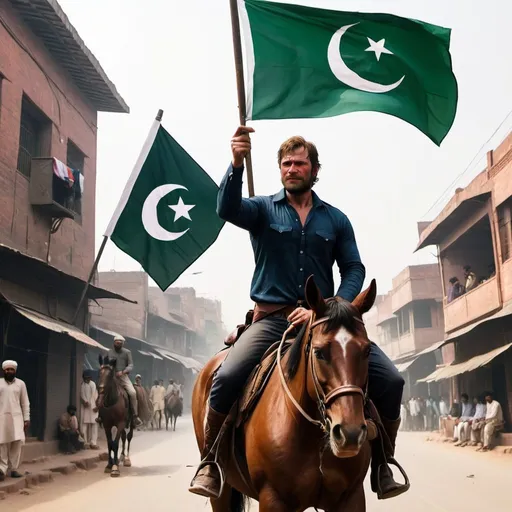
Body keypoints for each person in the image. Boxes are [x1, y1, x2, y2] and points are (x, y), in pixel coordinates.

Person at [189, 127, 407, 500]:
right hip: (271, 319)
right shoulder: (260, 209)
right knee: (225, 379)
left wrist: (332, 307)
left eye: (300, 163)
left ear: (314, 169)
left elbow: (353, 268)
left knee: (391, 380)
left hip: (322, 319)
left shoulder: (335, 220)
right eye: (286, 163)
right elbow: (226, 208)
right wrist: (237, 163)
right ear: (279, 170)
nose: (293, 168)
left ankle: (383, 462)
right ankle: (210, 462)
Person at [0, 360, 30, 481]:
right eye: (7, 369)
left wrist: (26, 418)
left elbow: (25, 402)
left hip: (17, 418)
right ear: (4, 371)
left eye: (11, 369)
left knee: (16, 443)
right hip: (2, 418)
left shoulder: (21, 384)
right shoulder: (0, 383)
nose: (9, 371)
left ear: (15, 371)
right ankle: (2, 469)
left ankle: (13, 469)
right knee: (2, 444)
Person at [107, 334, 142, 427]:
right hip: (112, 376)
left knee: (133, 393)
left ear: (122, 344)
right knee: (102, 390)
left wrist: (123, 371)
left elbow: (131, 365)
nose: (118, 345)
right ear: (114, 343)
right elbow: (107, 363)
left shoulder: (127, 352)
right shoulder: (109, 352)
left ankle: (135, 415)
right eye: (117, 343)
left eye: (120, 343)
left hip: (123, 377)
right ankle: (100, 414)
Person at [80, 370, 99, 449]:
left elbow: (96, 396)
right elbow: (82, 395)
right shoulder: (82, 385)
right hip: (85, 408)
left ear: (90, 378)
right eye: (85, 378)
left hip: (93, 407)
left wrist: (97, 407)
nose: (86, 380)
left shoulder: (93, 384)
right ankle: (85, 442)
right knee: (84, 425)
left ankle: (93, 442)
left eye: (87, 378)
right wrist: (85, 402)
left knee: (94, 425)